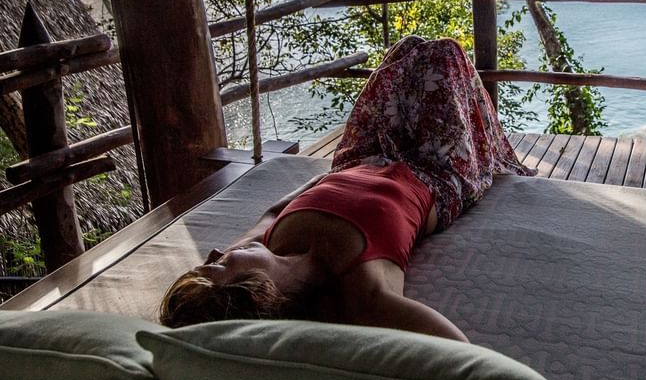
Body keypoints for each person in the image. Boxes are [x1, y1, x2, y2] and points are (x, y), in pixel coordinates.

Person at [159, 36, 534, 341]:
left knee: (407, 50)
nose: (213, 252)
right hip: (433, 174)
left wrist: (323, 179)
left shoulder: (260, 245)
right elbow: (460, 354)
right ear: (259, 290)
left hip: (357, 160)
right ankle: (488, 154)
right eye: (219, 266)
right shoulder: (364, 291)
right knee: (442, 53)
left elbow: (275, 211)